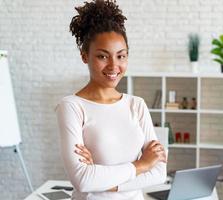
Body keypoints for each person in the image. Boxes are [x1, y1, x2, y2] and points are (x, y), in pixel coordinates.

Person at [55, 0, 167, 199]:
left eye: (121, 56)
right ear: (84, 56)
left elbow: (159, 173)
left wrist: (106, 182)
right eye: (102, 56)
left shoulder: (137, 105)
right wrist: (141, 165)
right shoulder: (72, 107)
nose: (113, 66)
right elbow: (82, 180)